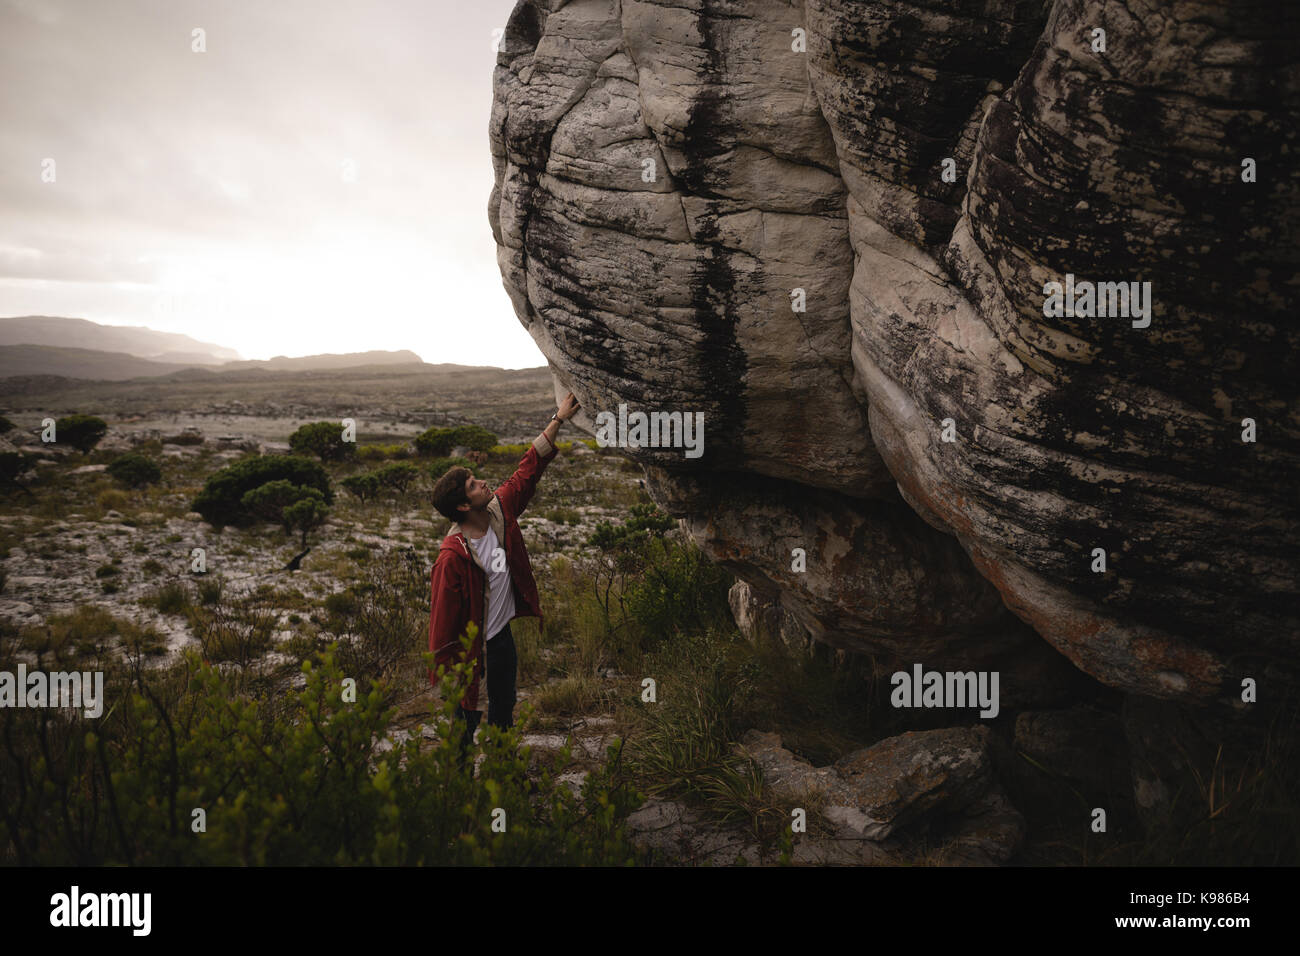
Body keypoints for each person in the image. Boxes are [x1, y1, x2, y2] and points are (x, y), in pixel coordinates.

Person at [428, 391, 581, 766]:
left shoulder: (496, 511)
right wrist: (446, 674)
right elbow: (442, 624)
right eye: (473, 486)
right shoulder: (452, 556)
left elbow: (527, 470)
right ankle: (458, 795)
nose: (483, 483)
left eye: (476, 478)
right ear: (463, 506)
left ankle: (502, 778)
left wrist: (558, 419)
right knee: (465, 723)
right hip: (471, 652)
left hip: (501, 643)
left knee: (503, 713)